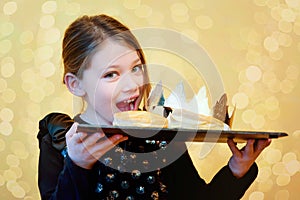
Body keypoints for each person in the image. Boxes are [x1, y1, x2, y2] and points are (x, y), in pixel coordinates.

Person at [37, 14, 271, 200]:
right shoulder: (59, 140)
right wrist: (77, 166)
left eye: (136, 68)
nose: (132, 85)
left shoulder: (162, 135)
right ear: (75, 84)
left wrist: (237, 170)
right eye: (111, 74)